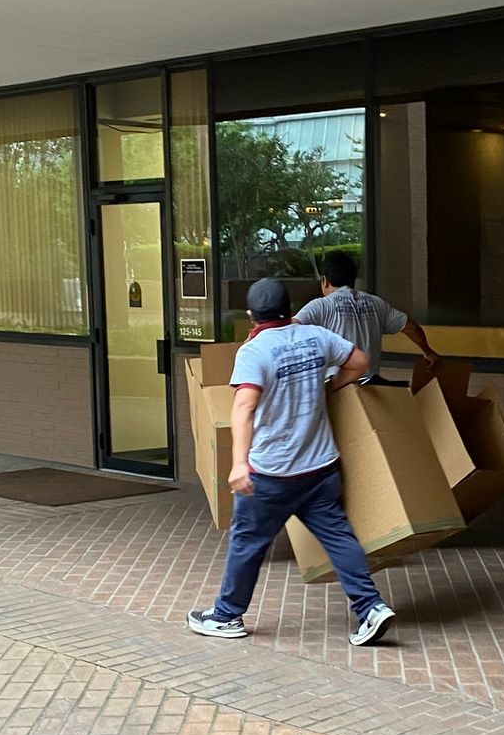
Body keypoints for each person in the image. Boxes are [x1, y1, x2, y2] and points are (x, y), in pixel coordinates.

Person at [187, 276, 397, 647]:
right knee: (339, 537)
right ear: (289, 308)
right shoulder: (316, 337)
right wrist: (334, 386)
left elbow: (244, 406)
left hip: (272, 473)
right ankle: (371, 608)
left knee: (247, 542)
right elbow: (361, 361)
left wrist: (238, 464)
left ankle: (226, 616)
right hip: (321, 467)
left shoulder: (255, 351)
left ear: (251, 314)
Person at [293, 250, 439, 382]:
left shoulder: (322, 305)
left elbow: (291, 328)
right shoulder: (376, 303)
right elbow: (410, 327)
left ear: (325, 280)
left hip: (337, 390)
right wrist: (428, 351)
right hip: (371, 387)